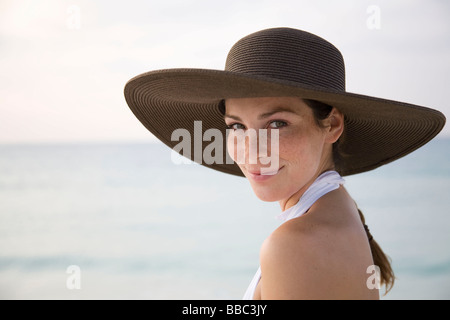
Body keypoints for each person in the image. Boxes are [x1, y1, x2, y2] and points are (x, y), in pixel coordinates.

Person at [124, 27, 445, 299]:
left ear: (332, 125)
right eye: (236, 126)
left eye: (276, 124)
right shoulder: (339, 210)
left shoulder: (293, 245)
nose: (252, 151)